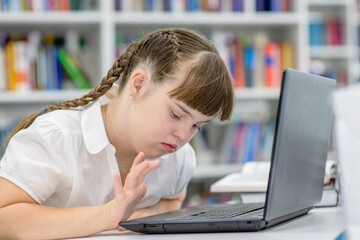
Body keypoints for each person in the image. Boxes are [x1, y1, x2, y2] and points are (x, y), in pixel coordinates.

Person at [0, 28, 234, 239]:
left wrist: (154, 212)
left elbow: (175, 198)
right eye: (175, 114)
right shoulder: (56, 137)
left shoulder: (177, 158)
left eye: (197, 126)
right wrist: (107, 215)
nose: (184, 136)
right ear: (139, 84)